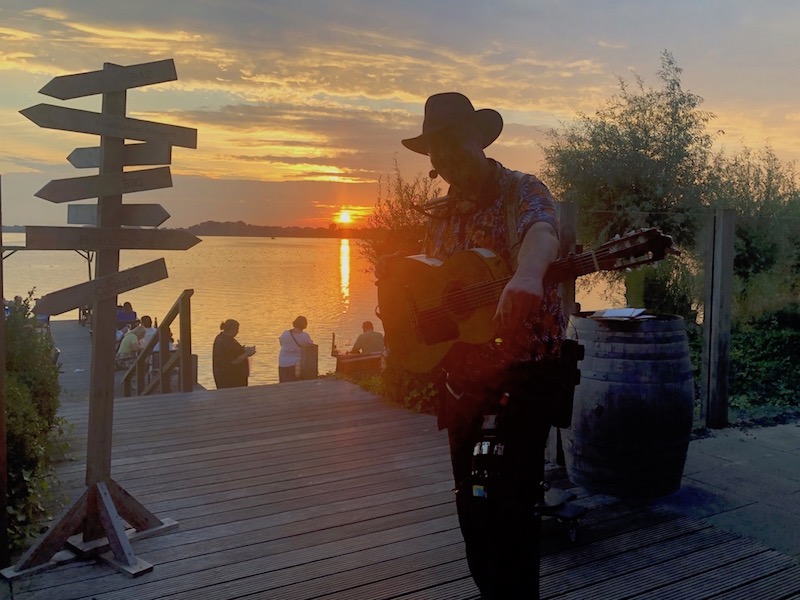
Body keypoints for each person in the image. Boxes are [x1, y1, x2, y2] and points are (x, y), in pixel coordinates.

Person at [393, 92, 568, 599]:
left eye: (451, 142)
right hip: (463, 379)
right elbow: (432, 290)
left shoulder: (521, 190)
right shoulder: (440, 215)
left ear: (479, 138)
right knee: (472, 503)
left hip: (524, 373)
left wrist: (528, 275)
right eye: (433, 148)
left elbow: (542, 232)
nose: (443, 156)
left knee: (511, 505)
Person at [212, 319, 255, 389]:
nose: (238, 332)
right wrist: (247, 354)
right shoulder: (227, 342)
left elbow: (234, 351)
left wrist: (243, 349)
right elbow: (234, 361)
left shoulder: (220, 337)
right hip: (231, 378)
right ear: (232, 329)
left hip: (222, 376)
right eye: (237, 329)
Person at [278, 316, 313, 382]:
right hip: (296, 364)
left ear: (295, 323)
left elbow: (281, 343)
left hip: (283, 362)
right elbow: (311, 346)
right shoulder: (305, 336)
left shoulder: (285, 333)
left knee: (283, 383)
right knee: (295, 383)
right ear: (304, 325)